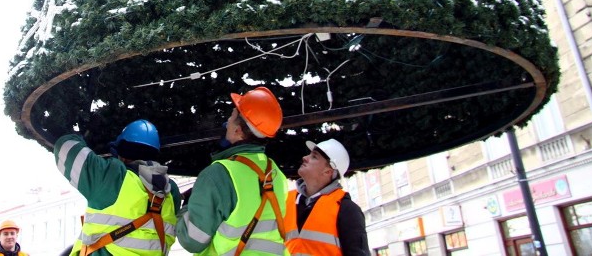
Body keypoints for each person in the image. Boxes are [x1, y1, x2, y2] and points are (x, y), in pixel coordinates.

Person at [176, 86, 289, 256]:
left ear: (237, 131)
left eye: (232, 116)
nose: (227, 121)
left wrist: (187, 207)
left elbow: (193, 241)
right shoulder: (276, 174)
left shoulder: (218, 174)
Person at [54, 119, 181, 256]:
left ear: (122, 154)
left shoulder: (113, 176)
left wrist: (81, 137)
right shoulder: (171, 192)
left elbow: (65, 147)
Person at [284, 139, 370, 256]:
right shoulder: (285, 201)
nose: (305, 157)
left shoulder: (346, 209)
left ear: (328, 171)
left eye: (314, 157)